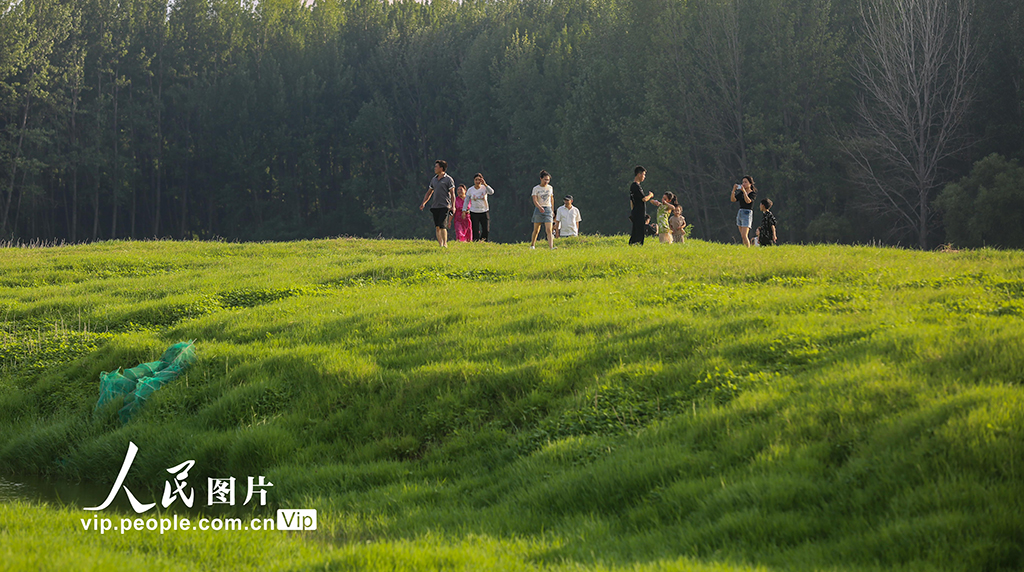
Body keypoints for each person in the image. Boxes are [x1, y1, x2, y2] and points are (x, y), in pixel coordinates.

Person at [419, 160, 456, 248]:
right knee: (437, 226)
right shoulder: (434, 179)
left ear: (441, 168)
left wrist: (453, 206)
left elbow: (452, 194)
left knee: (443, 225)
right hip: (435, 206)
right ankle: (440, 245)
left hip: (445, 205)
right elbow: (429, 192)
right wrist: (424, 202)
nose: (435, 168)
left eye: (436, 166)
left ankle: (445, 244)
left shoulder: (448, 179)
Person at [729, 175, 757, 247]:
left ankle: (748, 248)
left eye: (745, 182)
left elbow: (748, 201)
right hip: (740, 212)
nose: (743, 184)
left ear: (750, 184)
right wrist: (733, 191)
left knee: (744, 235)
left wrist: (744, 192)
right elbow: (733, 199)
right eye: (742, 182)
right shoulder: (741, 193)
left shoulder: (752, 193)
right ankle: (745, 248)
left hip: (747, 213)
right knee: (742, 235)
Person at [530, 170, 556, 249]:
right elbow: (535, 200)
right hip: (539, 209)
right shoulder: (536, 189)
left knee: (549, 229)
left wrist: (552, 210)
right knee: (536, 230)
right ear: (541, 179)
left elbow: (551, 199)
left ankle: (551, 247)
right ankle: (532, 245)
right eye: (545, 179)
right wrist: (539, 207)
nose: (546, 181)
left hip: (548, 209)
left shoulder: (550, 188)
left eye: (548, 180)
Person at [466, 173, 495, 241]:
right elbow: (466, 200)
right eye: (476, 180)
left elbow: (491, 192)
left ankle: (483, 241)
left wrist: (485, 184)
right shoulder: (470, 190)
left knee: (486, 229)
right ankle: (476, 241)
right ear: (474, 181)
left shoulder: (484, 188)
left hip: (484, 211)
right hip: (474, 212)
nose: (477, 181)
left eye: (479, 180)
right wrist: (464, 210)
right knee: (475, 229)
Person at [629, 166, 654, 245]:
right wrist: (650, 195)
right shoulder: (636, 186)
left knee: (636, 228)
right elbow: (644, 199)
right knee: (640, 229)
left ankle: (633, 243)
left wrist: (632, 211)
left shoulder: (633, 186)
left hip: (636, 211)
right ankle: (637, 243)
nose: (644, 177)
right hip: (639, 211)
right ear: (639, 174)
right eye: (643, 174)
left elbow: (631, 201)